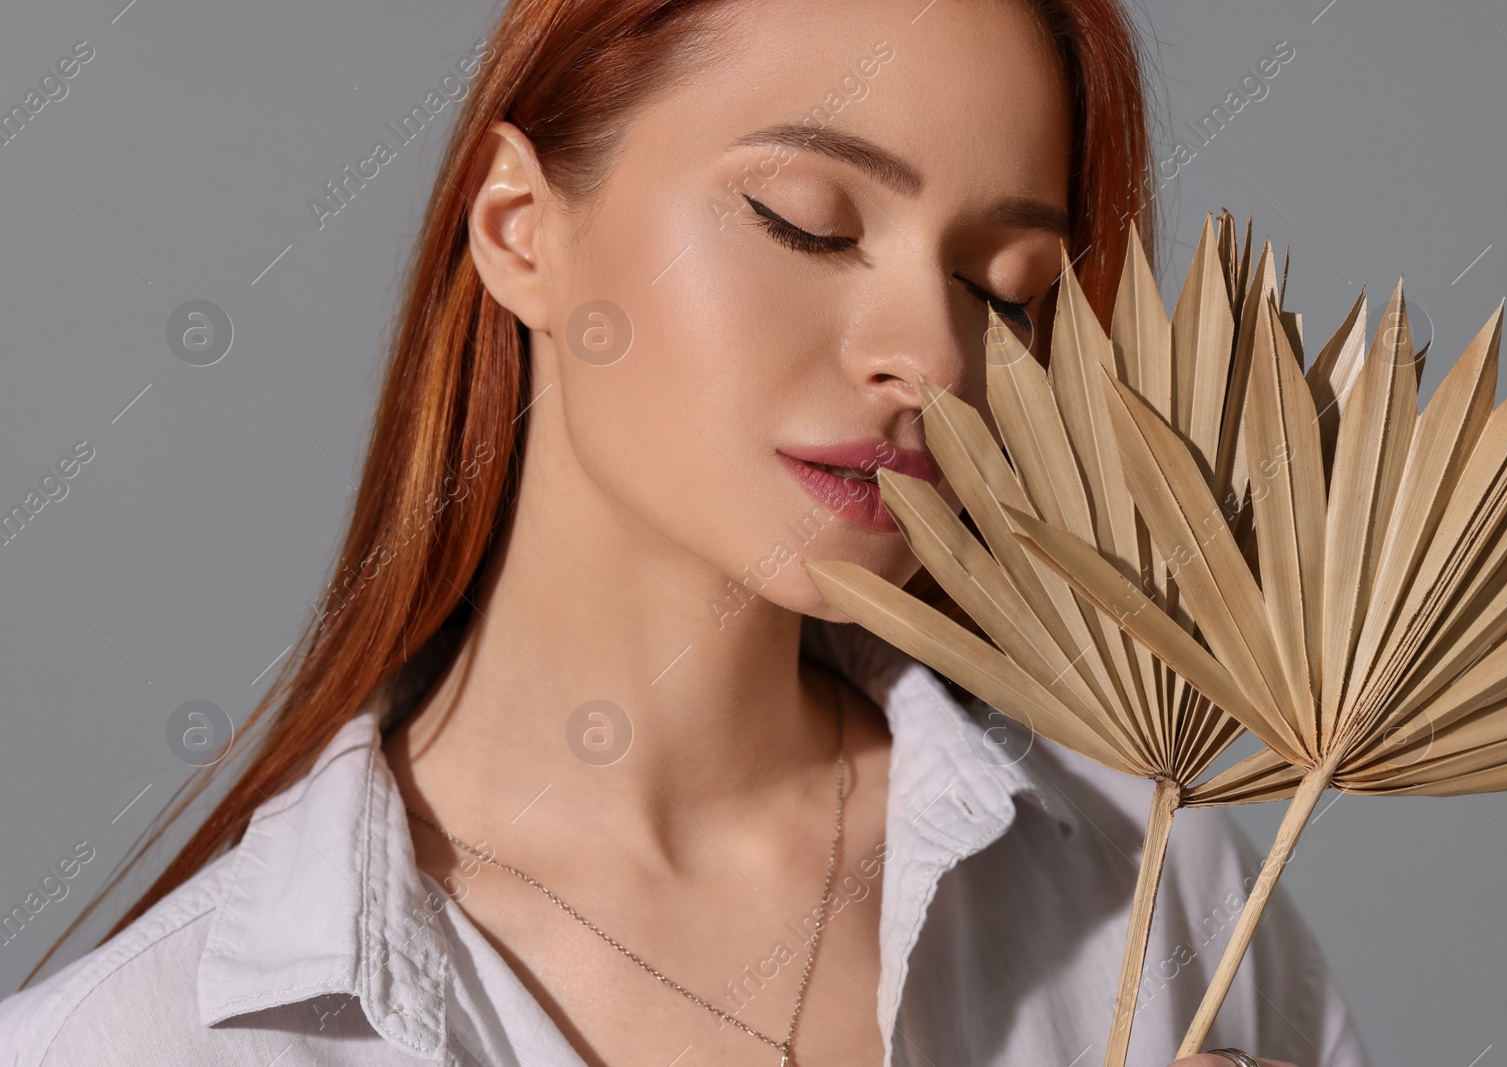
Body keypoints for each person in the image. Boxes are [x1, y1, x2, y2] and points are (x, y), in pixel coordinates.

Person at [0, 1, 1370, 1064]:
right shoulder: (152, 1039)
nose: (931, 354)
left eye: (1003, 290)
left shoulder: (1157, 894)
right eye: (811, 223)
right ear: (520, 229)